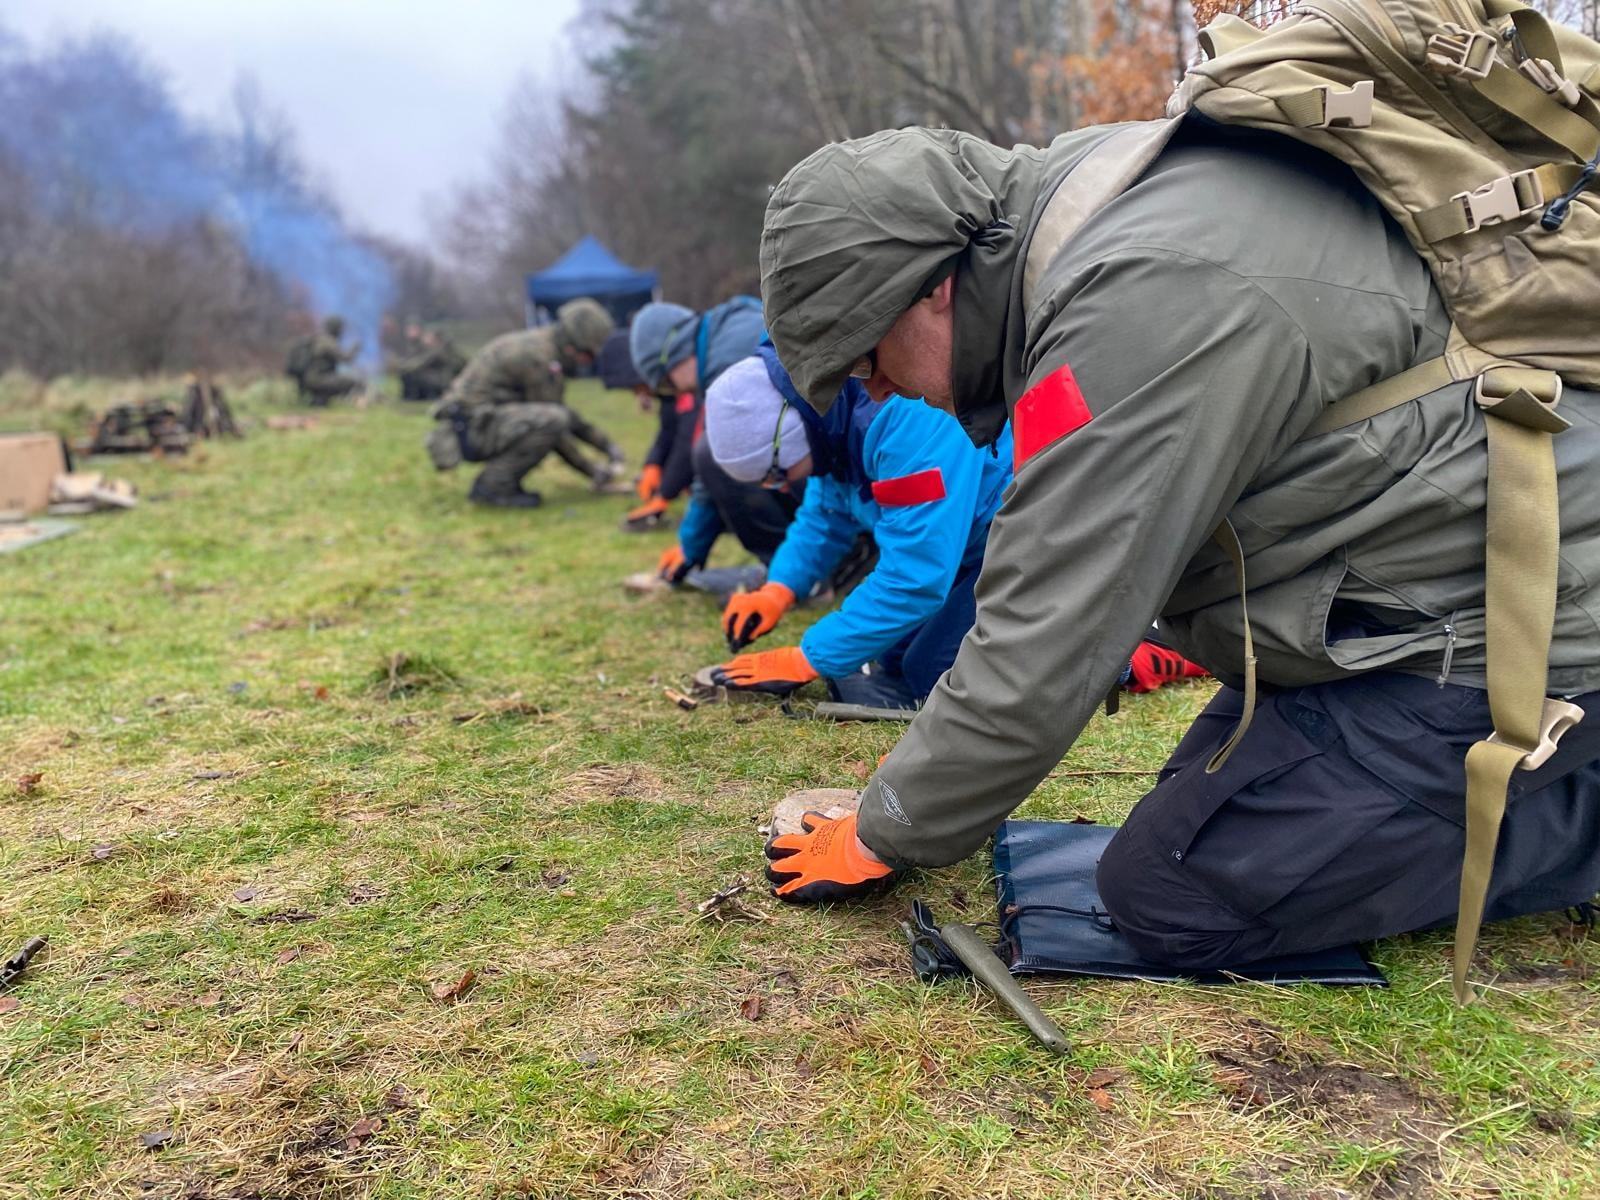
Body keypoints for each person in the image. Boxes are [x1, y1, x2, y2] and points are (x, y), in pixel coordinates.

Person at [753, 119, 1600, 979]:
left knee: (1174, 896)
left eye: (867, 361)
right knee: (1190, 821)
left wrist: (883, 830)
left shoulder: (1137, 298)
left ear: (931, 286)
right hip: (1408, 600)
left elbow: (1046, 632)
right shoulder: (1106, 209)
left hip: (1525, 617)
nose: (883, 390)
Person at [626, 298, 798, 576]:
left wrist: (690, 546)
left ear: (672, 357)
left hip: (836, 468)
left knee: (712, 454)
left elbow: (717, 463)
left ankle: (793, 570)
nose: (679, 392)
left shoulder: (727, 367)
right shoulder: (732, 325)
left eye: (669, 385)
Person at [425, 298, 622, 508]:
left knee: (554, 417)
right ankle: (494, 486)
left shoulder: (542, 347)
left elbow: (567, 416)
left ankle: (503, 483)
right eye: (589, 354)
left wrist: (606, 445)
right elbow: (557, 427)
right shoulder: (539, 359)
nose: (588, 362)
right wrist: (592, 471)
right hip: (470, 430)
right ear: (573, 346)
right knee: (552, 420)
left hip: (476, 424)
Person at [297, 315, 363, 407]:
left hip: (308, 379)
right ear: (335, 328)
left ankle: (320, 399)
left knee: (336, 379)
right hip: (318, 379)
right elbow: (345, 359)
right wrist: (356, 347)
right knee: (352, 382)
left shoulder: (318, 339)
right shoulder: (327, 342)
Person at [398, 326, 466, 401]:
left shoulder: (437, 351)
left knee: (410, 374)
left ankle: (412, 397)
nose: (425, 339)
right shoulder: (441, 349)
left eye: (428, 337)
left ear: (436, 340)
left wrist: (401, 367)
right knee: (411, 373)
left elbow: (420, 363)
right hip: (443, 380)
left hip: (443, 382)